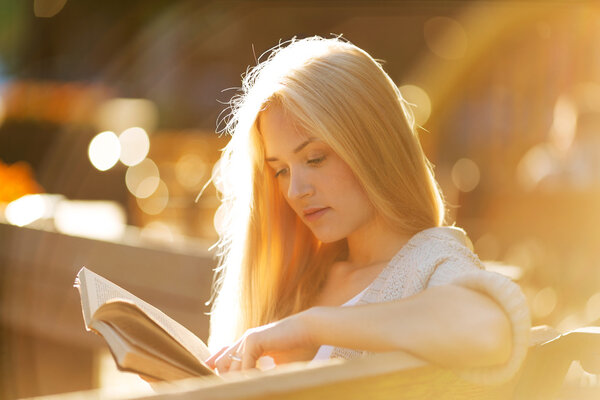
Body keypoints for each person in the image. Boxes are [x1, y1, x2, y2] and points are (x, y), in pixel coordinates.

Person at [204, 36, 530, 384]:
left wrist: (311, 327)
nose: (296, 191)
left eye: (315, 158)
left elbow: (487, 331)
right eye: (280, 170)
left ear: (372, 145)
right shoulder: (300, 275)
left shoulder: (428, 260)